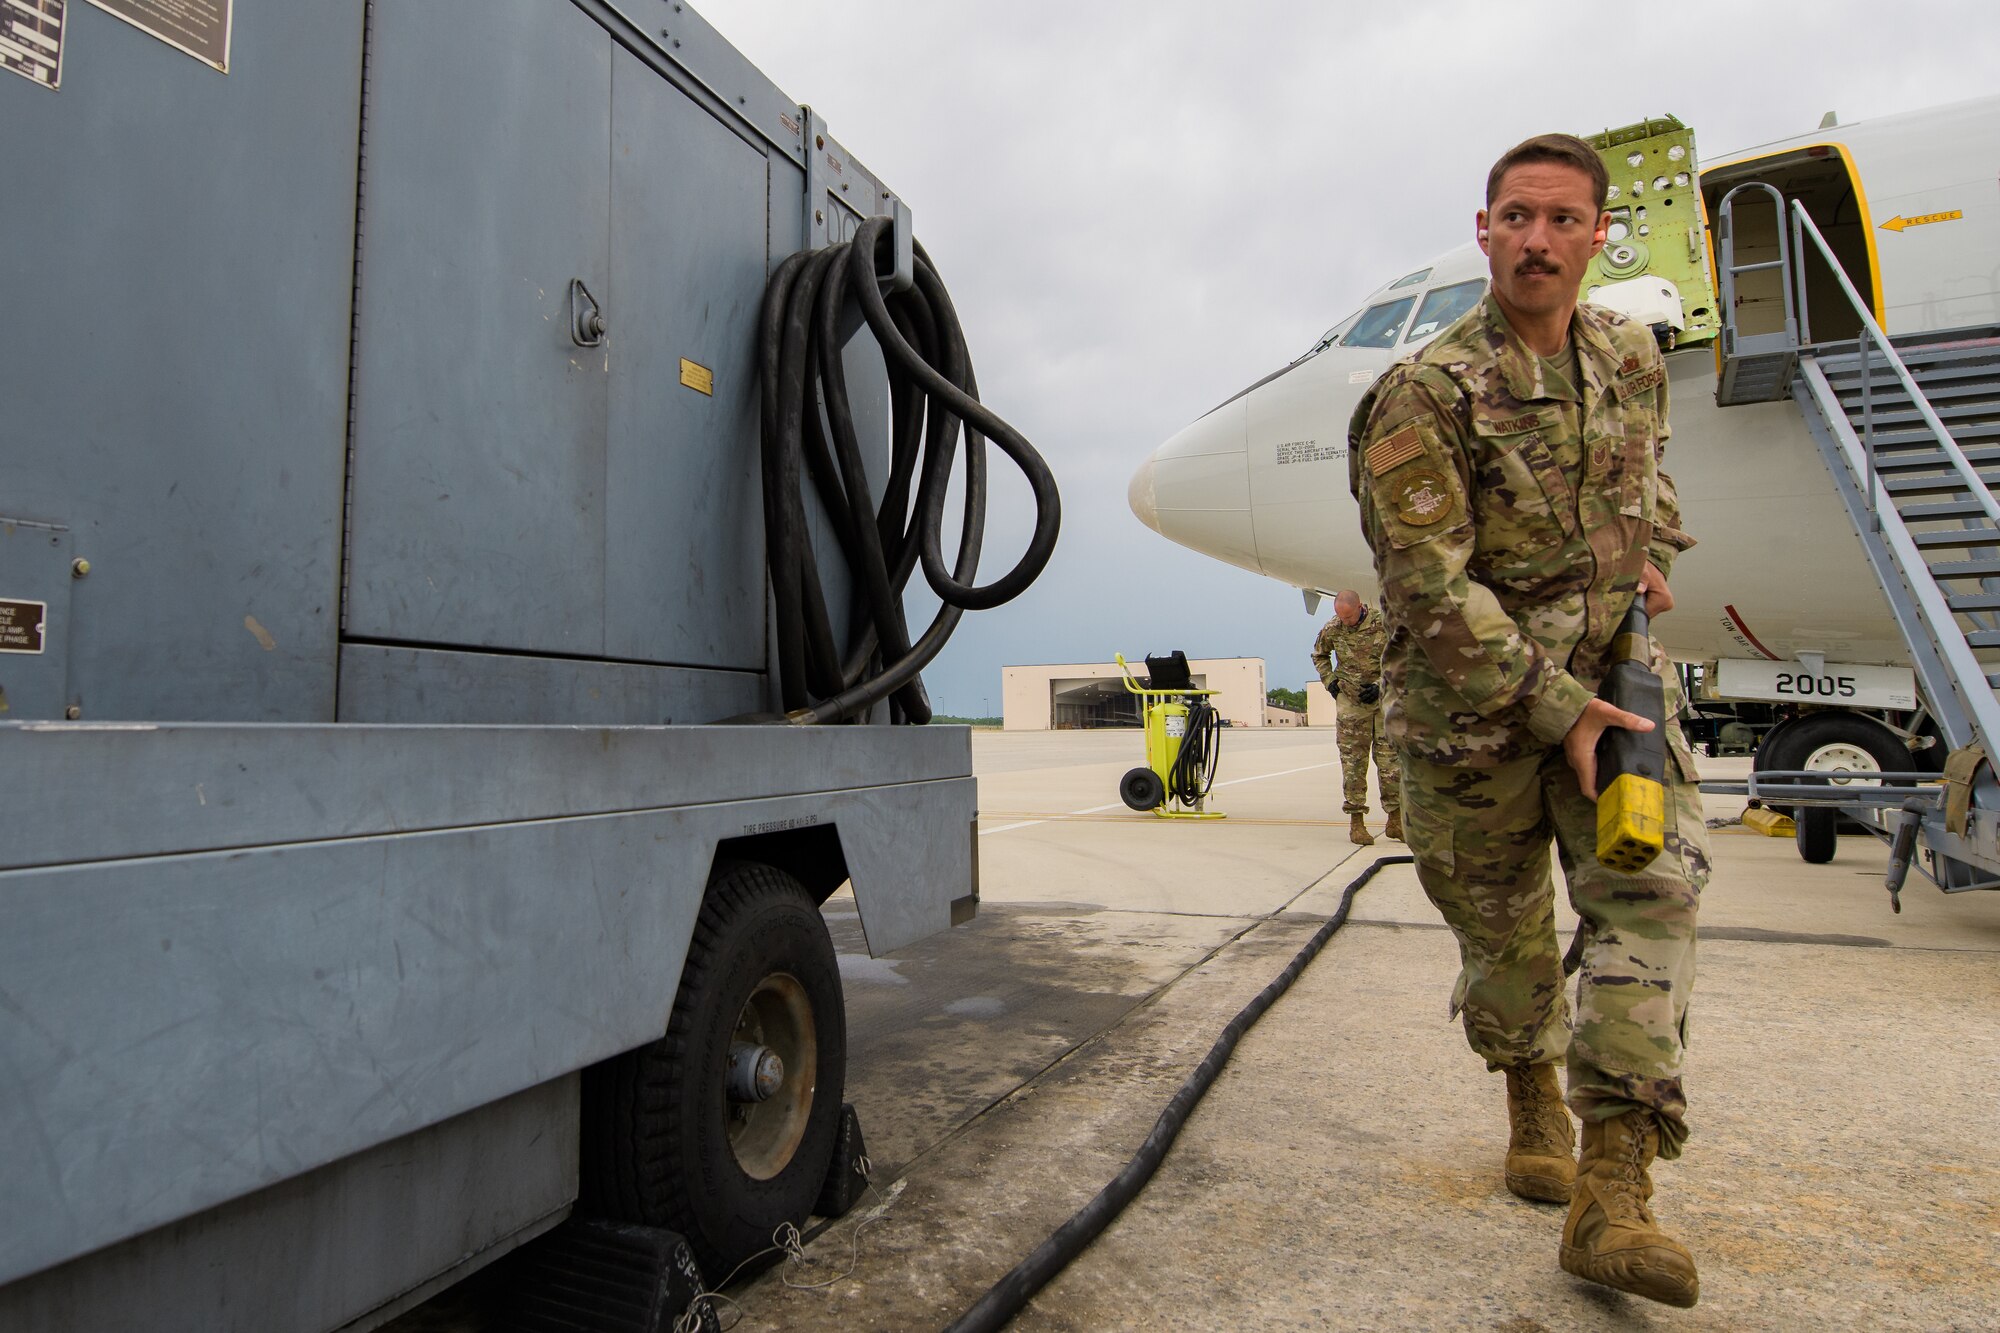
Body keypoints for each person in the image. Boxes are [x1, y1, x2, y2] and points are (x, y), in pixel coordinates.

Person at [1346, 132, 1710, 1308]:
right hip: (1473, 724)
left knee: (1652, 892)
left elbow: (1645, 474)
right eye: (1515, 218)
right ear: (1483, 231)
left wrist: (1649, 548)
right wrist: (1552, 706)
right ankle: (1529, 1099)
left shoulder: (1628, 356)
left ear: (1597, 235)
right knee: (1505, 948)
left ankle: (1616, 1187)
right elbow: (1423, 584)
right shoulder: (1425, 391)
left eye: (1561, 220)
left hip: (1613, 694)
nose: (1536, 240)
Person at [1310, 591, 1402, 844]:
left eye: (1349, 617)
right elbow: (1319, 655)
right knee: (1353, 765)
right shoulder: (1333, 628)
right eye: (1341, 617)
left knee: (1390, 765)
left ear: (1360, 607)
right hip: (1351, 703)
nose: (1346, 622)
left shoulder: (1383, 623)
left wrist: (1383, 684)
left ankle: (1395, 820)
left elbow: (1401, 657)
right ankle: (1356, 823)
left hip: (1382, 701)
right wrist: (1331, 682)